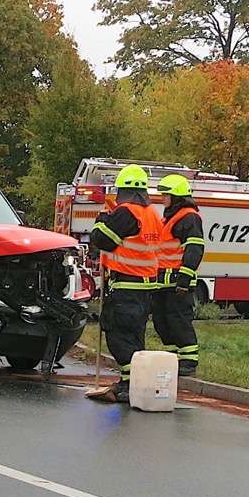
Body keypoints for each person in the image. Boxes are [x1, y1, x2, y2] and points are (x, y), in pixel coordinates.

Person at [86, 164, 165, 403]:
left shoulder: (127, 212)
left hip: (126, 286)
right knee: (134, 338)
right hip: (144, 288)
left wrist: (101, 220)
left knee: (119, 337)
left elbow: (102, 240)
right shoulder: (152, 214)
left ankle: (130, 385)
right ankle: (131, 383)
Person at [151, 174, 206, 376]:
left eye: (166, 195)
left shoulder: (188, 217)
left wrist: (184, 278)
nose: (163, 198)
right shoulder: (170, 218)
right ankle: (173, 358)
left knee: (179, 320)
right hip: (164, 281)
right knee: (161, 320)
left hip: (178, 281)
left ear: (177, 197)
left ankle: (189, 361)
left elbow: (194, 249)